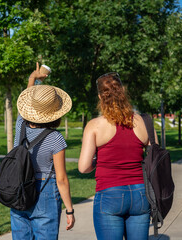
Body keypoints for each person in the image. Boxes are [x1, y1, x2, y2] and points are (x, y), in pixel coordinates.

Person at [78, 72, 158, 240]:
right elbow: (155, 158)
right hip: (140, 193)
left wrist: (97, 161)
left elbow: (84, 167)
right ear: (123, 92)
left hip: (109, 193)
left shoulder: (94, 126)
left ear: (100, 97)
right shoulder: (144, 122)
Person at [10, 63, 75, 239]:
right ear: (55, 113)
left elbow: (25, 106)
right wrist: (69, 209)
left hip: (19, 188)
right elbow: (61, 179)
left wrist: (33, 79)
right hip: (44, 191)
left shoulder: (20, 125)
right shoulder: (55, 138)